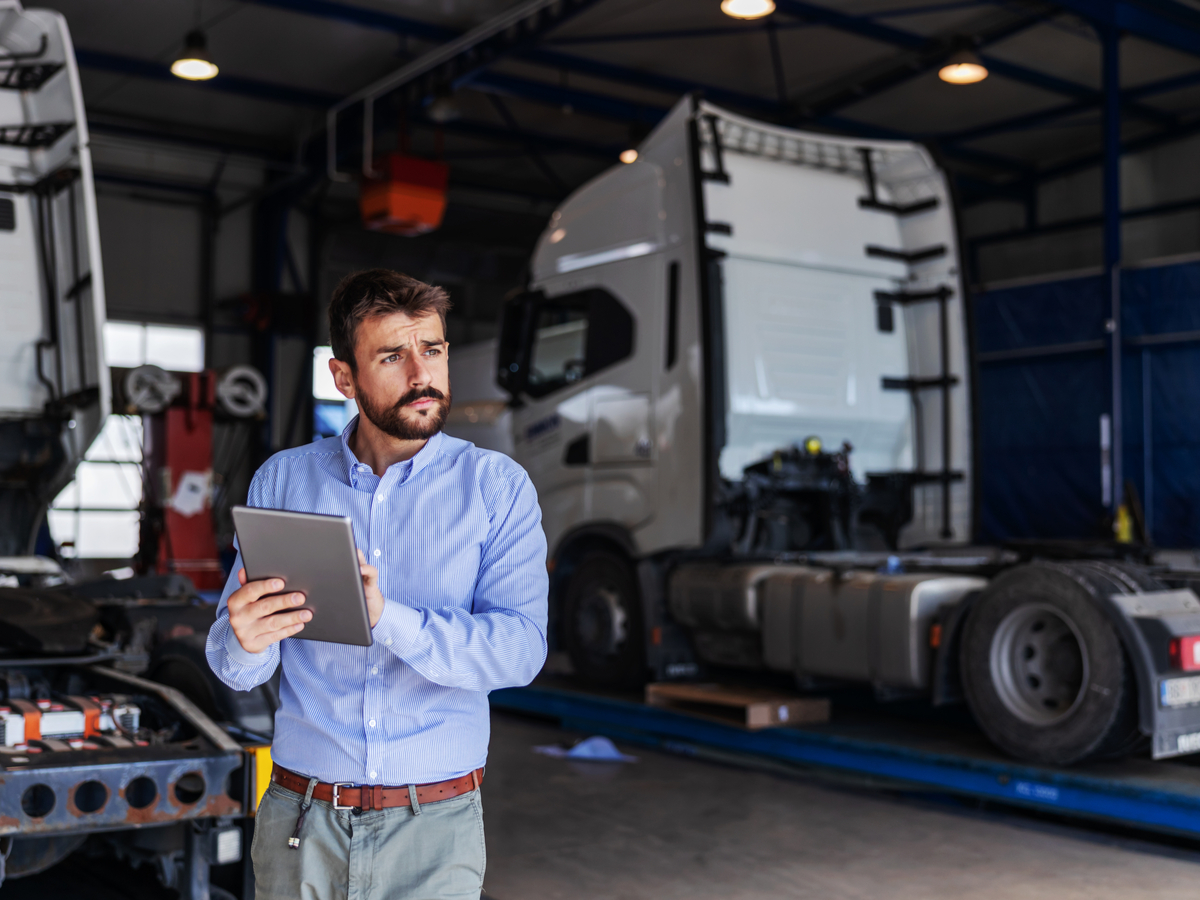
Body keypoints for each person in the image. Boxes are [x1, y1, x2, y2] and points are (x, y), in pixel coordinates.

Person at [206, 268, 548, 900]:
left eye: (434, 350)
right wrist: (242, 639)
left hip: (434, 830)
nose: (423, 375)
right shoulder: (285, 482)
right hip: (301, 822)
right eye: (393, 355)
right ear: (343, 378)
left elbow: (521, 650)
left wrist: (388, 617)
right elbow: (237, 669)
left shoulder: (497, 489)